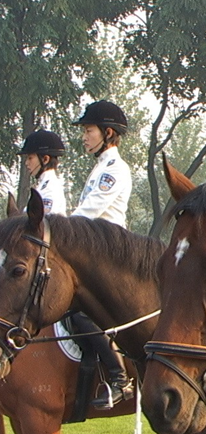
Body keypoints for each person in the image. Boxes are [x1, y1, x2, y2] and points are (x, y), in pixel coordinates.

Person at [70, 100, 134, 409]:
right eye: (84, 131)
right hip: (95, 254)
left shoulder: (115, 169)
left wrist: (57, 229)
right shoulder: (99, 169)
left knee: (81, 309)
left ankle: (120, 378)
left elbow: (88, 213)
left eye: (89, 131)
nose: (84, 137)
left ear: (108, 133)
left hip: (110, 256)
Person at [17, 130, 67, 215]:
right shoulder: (42, 185)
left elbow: (43, 219)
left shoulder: (50, 188)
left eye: (30, 158)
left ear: (45, 159)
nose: (26, 163)